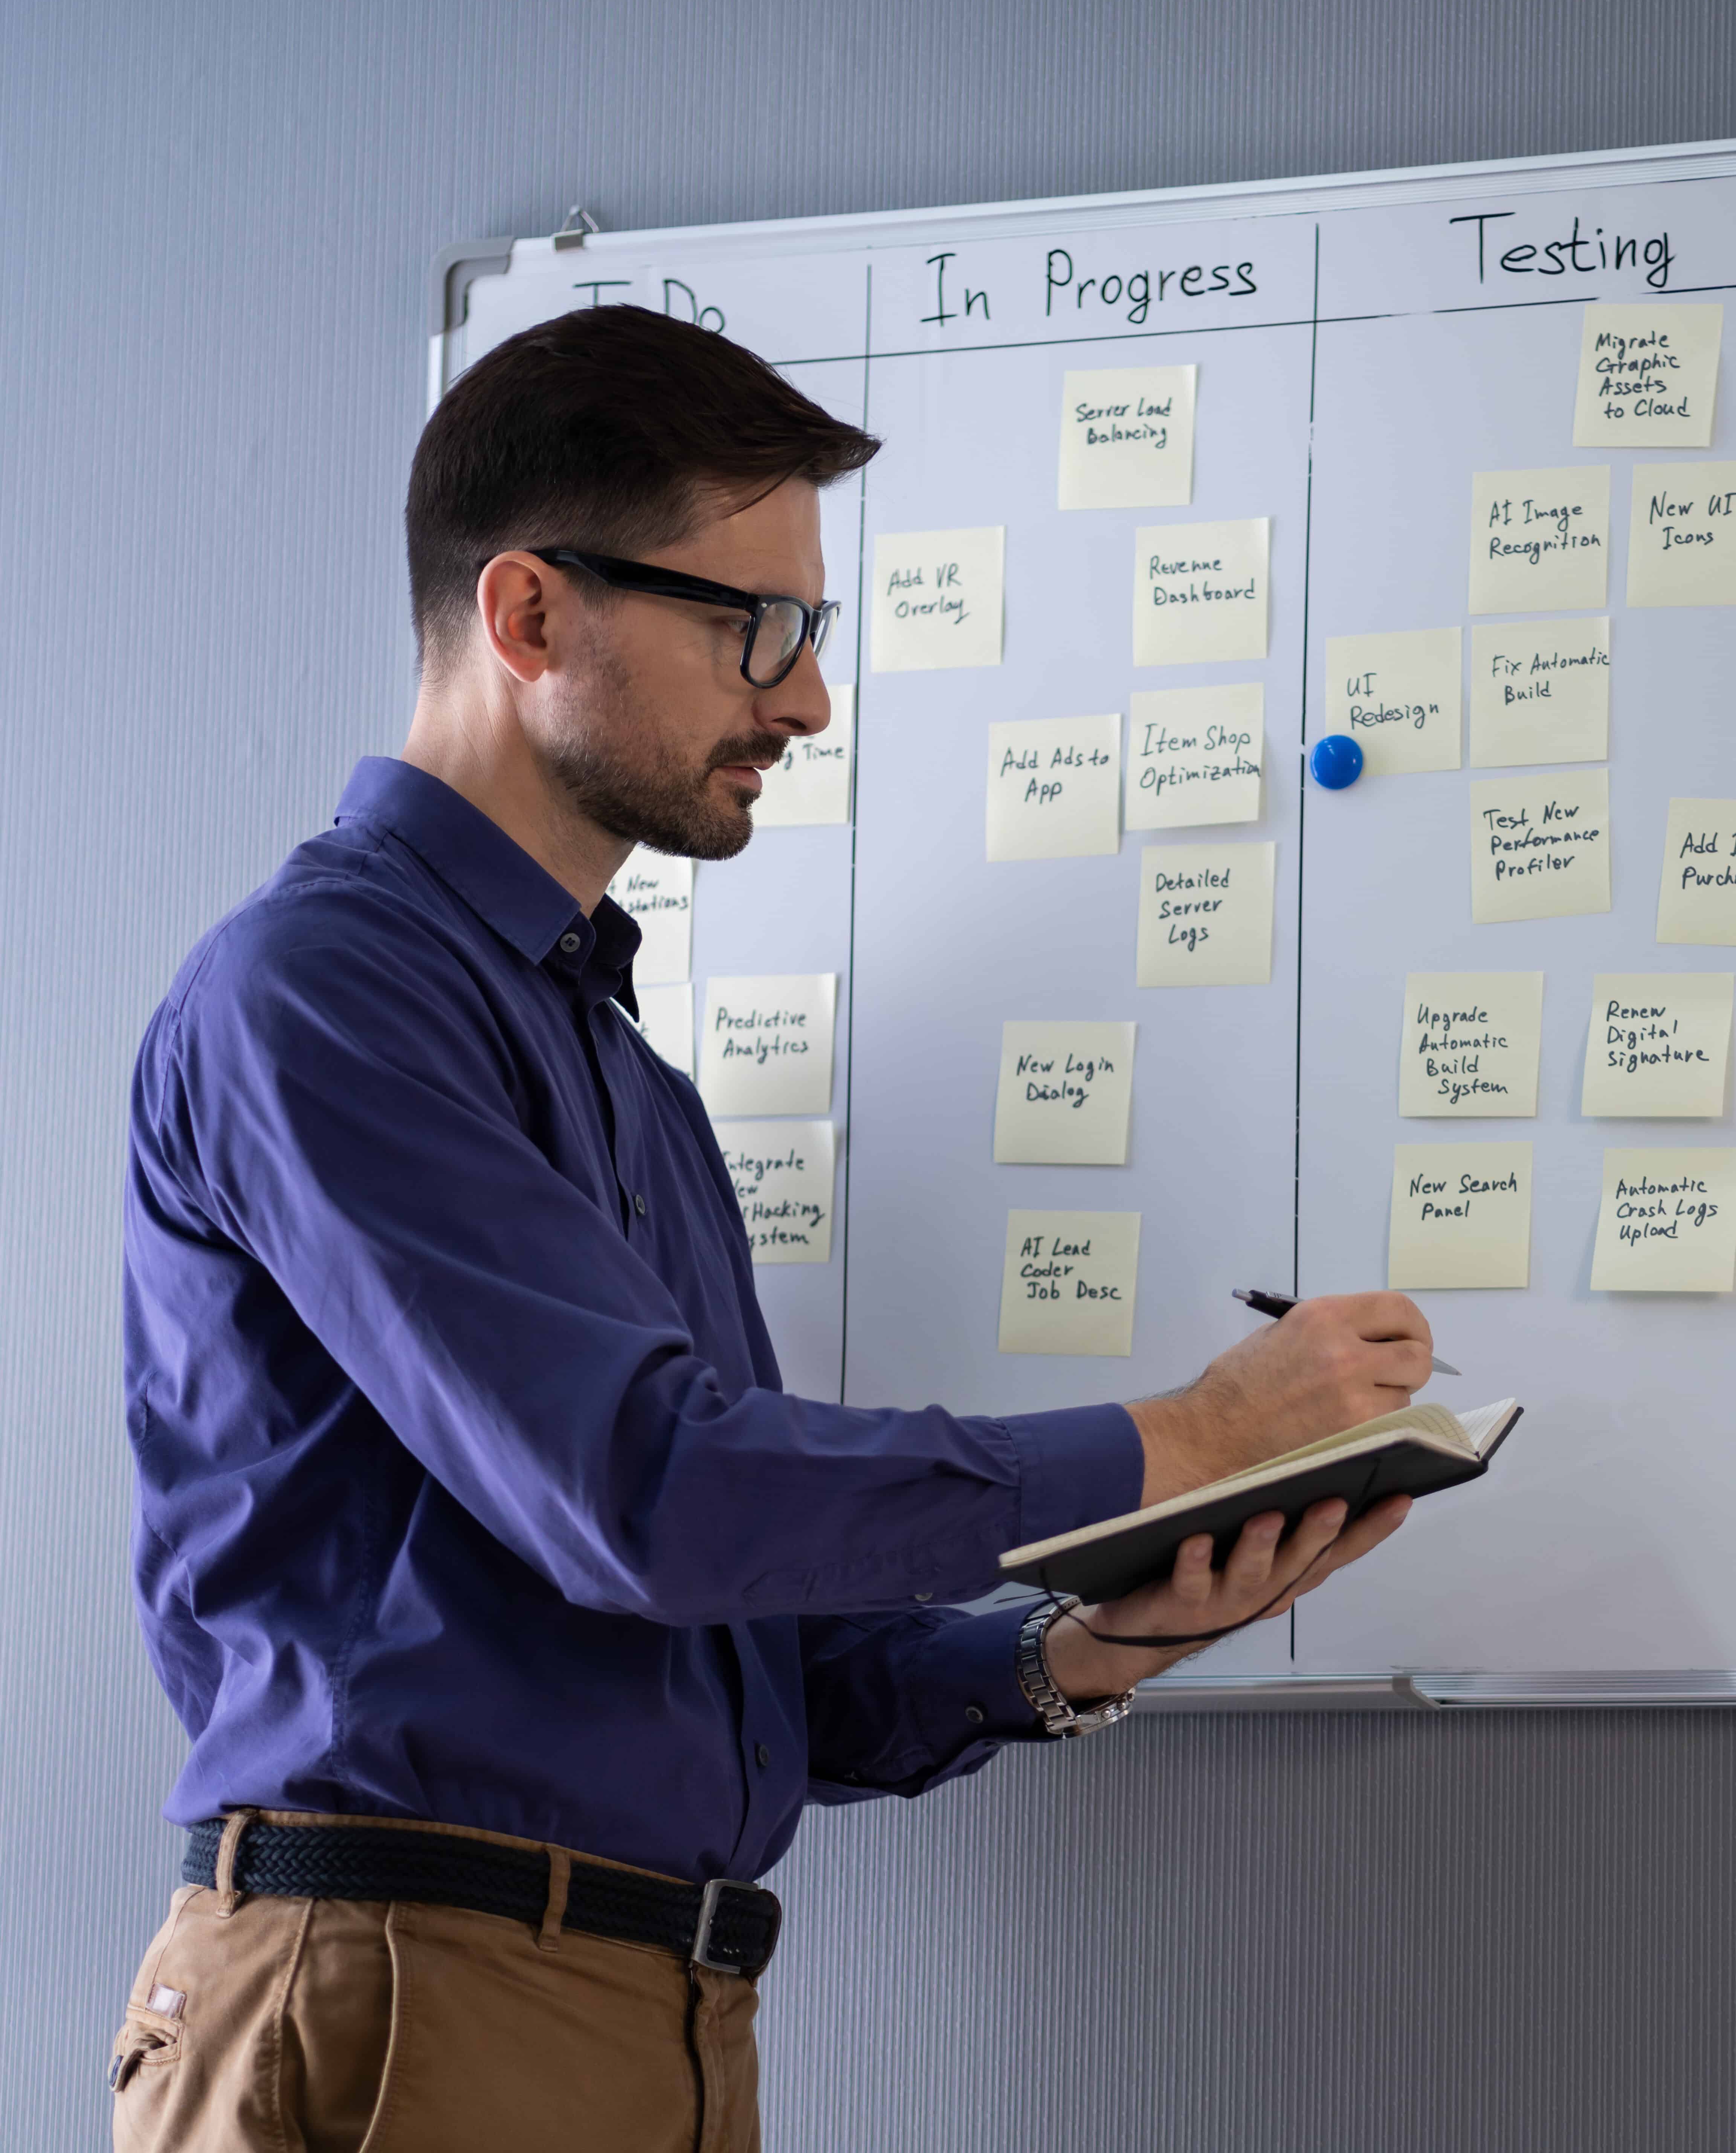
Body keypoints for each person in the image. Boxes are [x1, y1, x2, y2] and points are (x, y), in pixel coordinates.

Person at [111, 305, 1429, 2152]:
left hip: (660, 2012)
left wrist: (1085, 1647)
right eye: (761, 629)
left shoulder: (629, 1081)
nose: (805, 699)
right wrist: (1198, 1432)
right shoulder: (317, 995)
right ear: (530, 617)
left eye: (809, 634)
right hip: (409, 2001)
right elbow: (646, 1495)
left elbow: (762, 1652)